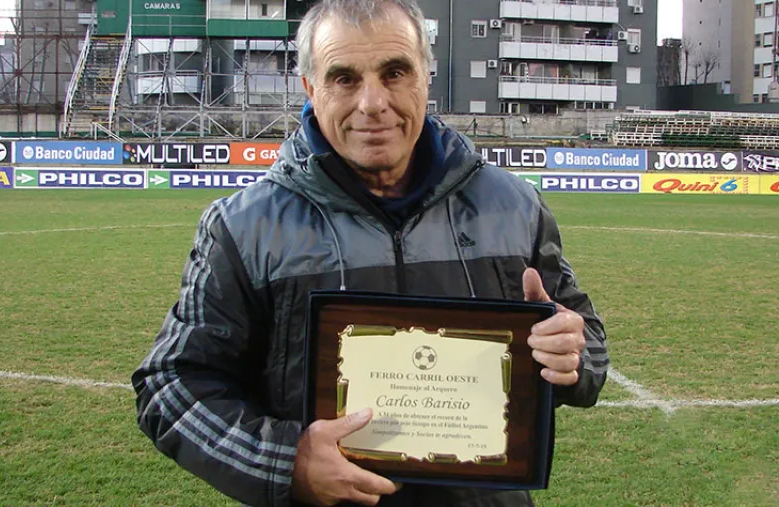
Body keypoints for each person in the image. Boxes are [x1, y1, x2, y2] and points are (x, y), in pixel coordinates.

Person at [131, 1, 608, 506]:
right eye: (344, 78)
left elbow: (588, 343)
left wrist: (573, 352)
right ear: (312, 90)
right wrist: (285, 461)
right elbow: (171, 385)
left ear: (425, 77)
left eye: (395, 72)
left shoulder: (515, 205)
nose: (372, 103)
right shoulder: (244, 227)